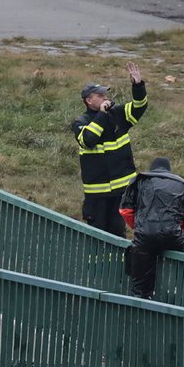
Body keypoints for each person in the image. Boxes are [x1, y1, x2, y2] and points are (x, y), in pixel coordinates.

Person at [72, 61, 148, 238]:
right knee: (97, 235)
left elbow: (139, 107)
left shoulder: (118, 114)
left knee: (117, 233)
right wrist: (101, 115)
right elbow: (88, 140)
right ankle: (96, 266)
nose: (105, 97)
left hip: (120, 191)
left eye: (105, 93)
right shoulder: (81, 123)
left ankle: (118, 266)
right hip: (97, 194)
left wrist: (138, 85)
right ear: (88, 101)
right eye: (99, 95)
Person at [119, 157, 184, 299]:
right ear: (169, 170)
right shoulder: (183, 184)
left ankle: (141, 303)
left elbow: (125, 211)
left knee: (139, 286)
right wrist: (175, 229)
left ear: (152, 169)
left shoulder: (140, 180)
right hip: (173, 235)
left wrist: (138, 226)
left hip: (144, 234)